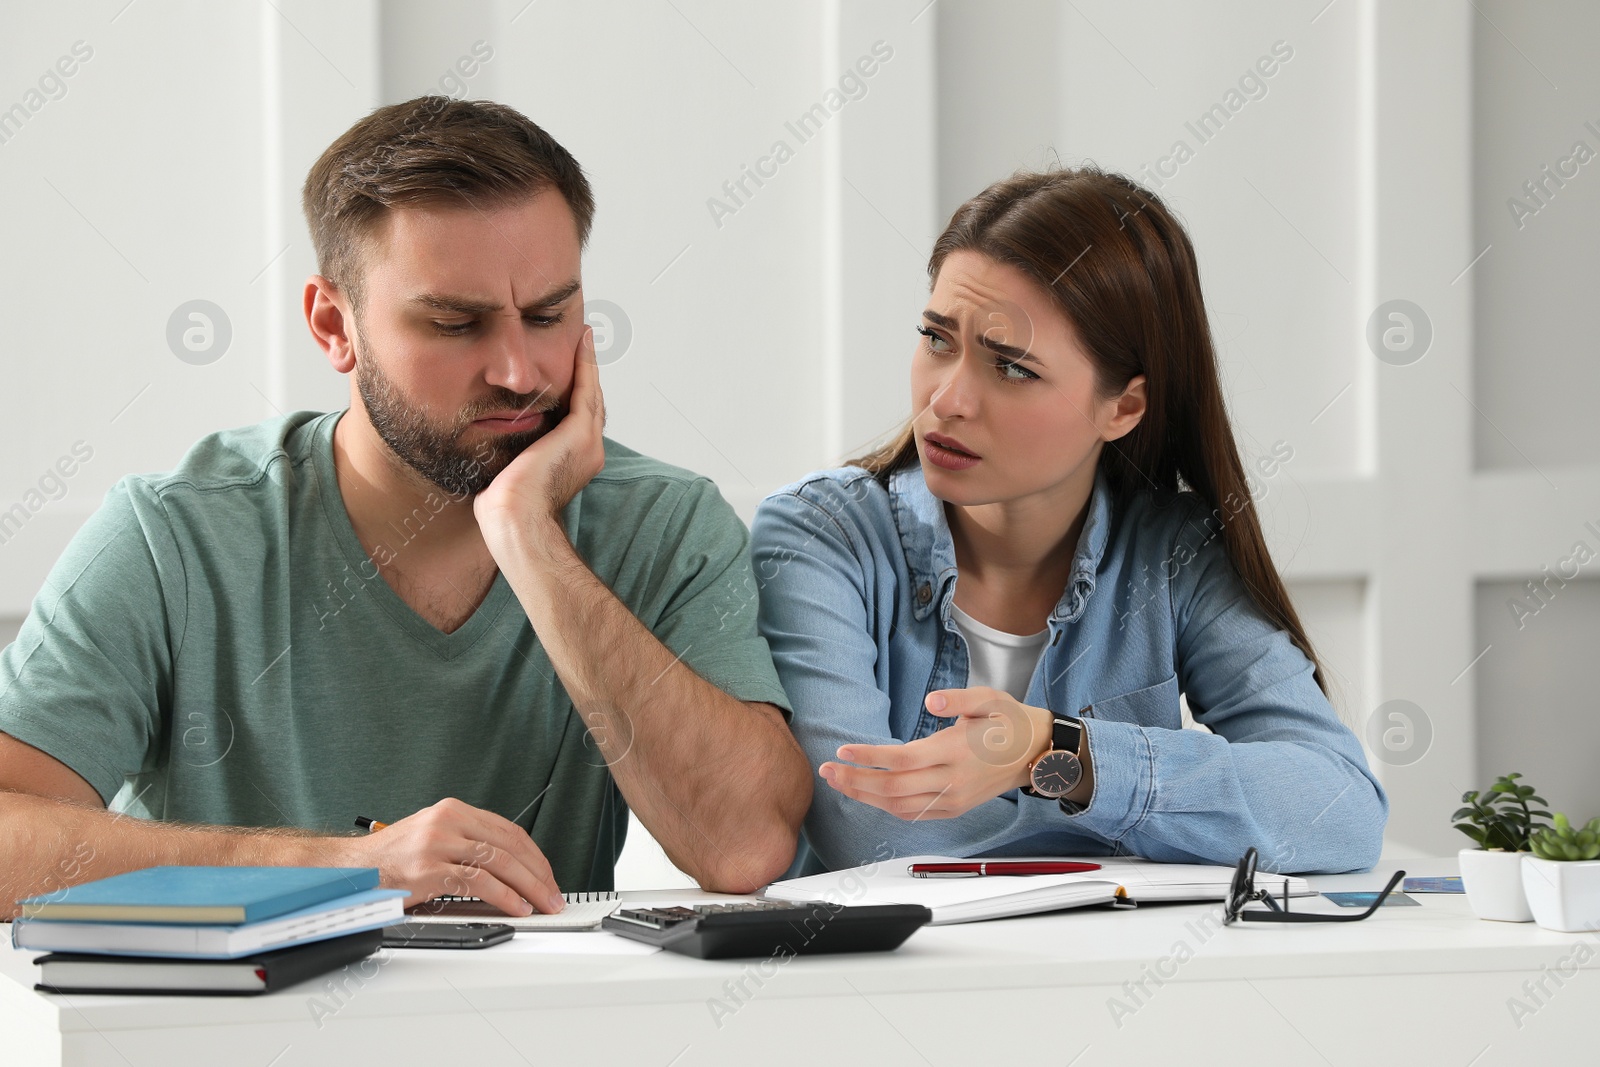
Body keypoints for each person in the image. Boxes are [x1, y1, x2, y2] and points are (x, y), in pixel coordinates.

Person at [0, 97, 809, 920]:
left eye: (549, 315)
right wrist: (349, 869)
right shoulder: (172, 536)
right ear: (332, 324)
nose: (520, 371)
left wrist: (529, 538)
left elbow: (742, 844)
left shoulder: (663, 527)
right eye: (455, 323)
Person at [752, 167, 1386, 877]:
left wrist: (1050, 751)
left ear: (1123, 408)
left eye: (1012, 368)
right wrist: (1132, 806)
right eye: (937, 338)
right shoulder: (818, 537)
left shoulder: (1175, 555)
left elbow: (1342, 811)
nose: (948, 399)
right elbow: (874, 835)